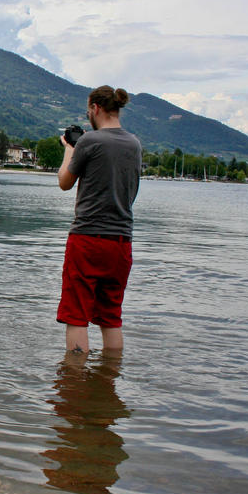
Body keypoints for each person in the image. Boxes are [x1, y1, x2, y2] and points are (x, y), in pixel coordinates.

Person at [57, 86, 142, 354]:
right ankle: (109, 381)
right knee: (111, 318)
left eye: (88, 110)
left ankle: (74, 383)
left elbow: (64, 182)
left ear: (95, 108)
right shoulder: (134, 143)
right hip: (121, 242)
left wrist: (69, 149)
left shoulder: (90, 141)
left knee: (77, 315)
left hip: (88, 239)